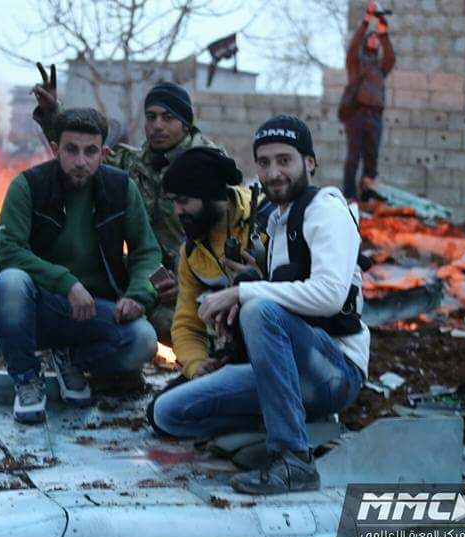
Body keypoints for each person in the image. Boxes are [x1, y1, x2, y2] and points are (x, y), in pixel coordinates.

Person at [152, 115, 370, 495]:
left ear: (310, 163)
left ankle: (293, 459)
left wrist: (244, 294)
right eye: (264, 163)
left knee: (258, 309)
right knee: (169, 413)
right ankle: (274, 429)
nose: (273, 173)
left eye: (285, 160)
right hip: (282, 374)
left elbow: (330, 295)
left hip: (335, 371)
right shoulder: (277, 225)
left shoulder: (325, 210)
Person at [0, 108, 161, 424]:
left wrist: (138, 294)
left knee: (143, 340)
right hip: (38, 308)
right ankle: (26, 377)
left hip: (95, 311)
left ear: (104, 153)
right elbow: (7, 250)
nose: (81, 161)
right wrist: (66, 283)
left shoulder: (121, 189)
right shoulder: (29, 185)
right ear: (56, 149)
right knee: (9, 282)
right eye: (71, 150)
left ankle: (71, 358)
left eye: (90, 151)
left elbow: (147, 252)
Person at [31, 64, 222, 344]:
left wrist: (188, 285)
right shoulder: (132, 163)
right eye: (151, 117)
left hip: (198, 285)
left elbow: (226, 241)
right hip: (145, 279)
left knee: (181, 330)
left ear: (185, 123)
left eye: (168, 117)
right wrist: (52, 114)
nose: (157, 125)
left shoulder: (210, 166)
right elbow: (80, 157)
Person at [160, 147, 264, 381]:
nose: (177, 211)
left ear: (212, 195)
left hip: (276, 358)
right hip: (228, 360)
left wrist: (256, 283)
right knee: (165, 404)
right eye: (173, 202)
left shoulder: (267, 223)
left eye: (184, 201)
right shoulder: (191, 251)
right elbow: (187, 324)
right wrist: (196, 365)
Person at [342, 2, 396, 201]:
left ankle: (367, 198)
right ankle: (349, 196)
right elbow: (353, 46)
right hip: (357, 114)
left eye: (376, 39)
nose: (374, 40)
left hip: (375, 116)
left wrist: (383, 33)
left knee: (372, 158)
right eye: (371, 37)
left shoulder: (380, 67)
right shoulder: (355, 63)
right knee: (353, 157)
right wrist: (366, 21)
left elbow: (390, 57)